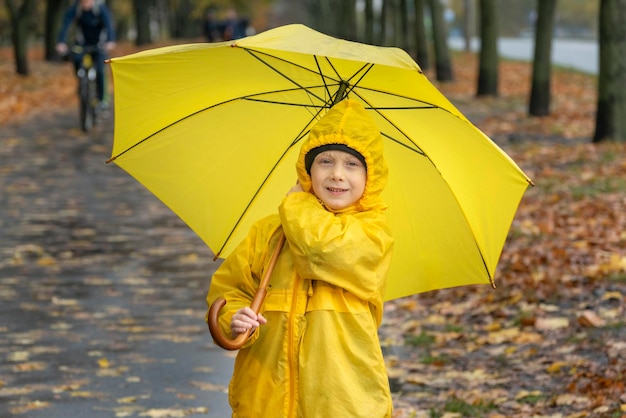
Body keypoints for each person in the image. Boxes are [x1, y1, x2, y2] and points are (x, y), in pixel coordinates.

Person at [206, 99, 394, 417]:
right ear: (307, 170)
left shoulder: (373, 233)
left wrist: (296, 206)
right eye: (325, 162)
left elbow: (319, 250)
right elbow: (231, 287)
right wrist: (236, 316)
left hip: (340, 400)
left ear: (370, 177)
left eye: (352, 165)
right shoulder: (270, 231)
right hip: (266, 393)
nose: (337, 174)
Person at [56, 0, 116, 106]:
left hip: (99, 44)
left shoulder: (100, 8)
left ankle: (102, 100)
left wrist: (110, 41)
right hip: (82, 43)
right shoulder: (76, 8)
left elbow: (108, 24)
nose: (85, 4)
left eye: (87, 2)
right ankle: (81, 82)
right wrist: (61, 42)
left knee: (100, 70)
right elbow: (66, 24)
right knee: (76, 58)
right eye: (82, 2)